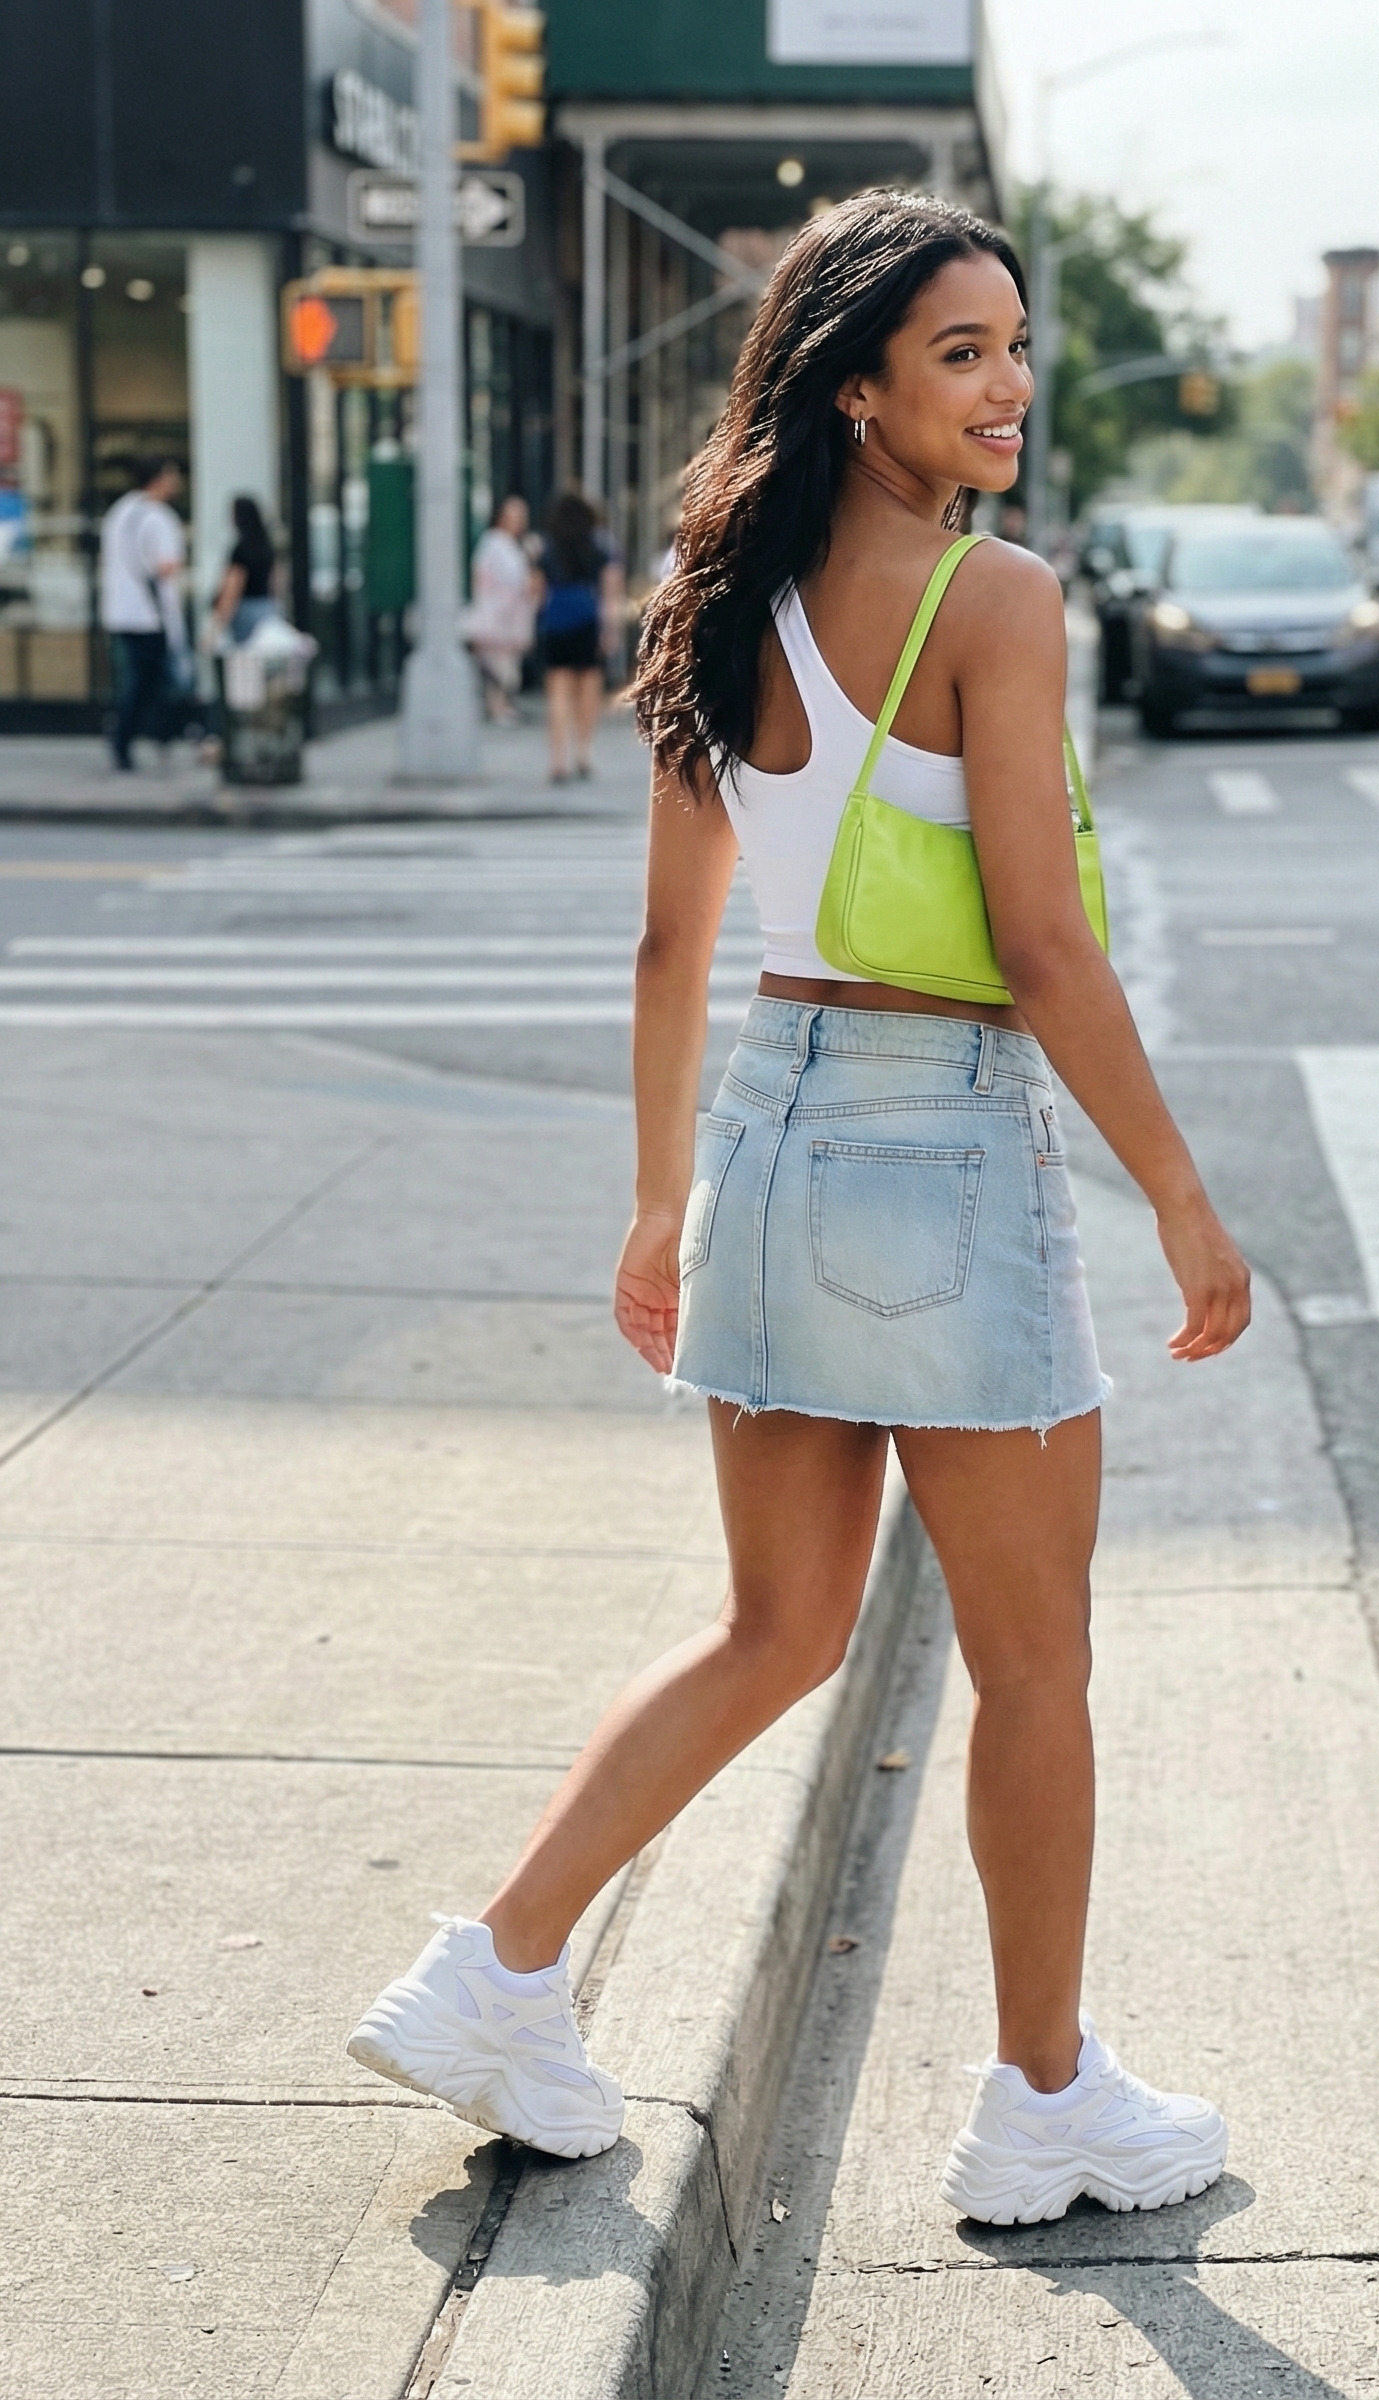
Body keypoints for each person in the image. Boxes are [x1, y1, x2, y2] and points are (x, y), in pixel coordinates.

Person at [346, 192, 1251, 2227]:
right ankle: (1042, 2103)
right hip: (940, 1138)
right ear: (855, 388)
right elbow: (1040, 945)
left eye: (1014, 345)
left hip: (768, 1120)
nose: (1009, 386)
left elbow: (670, 949)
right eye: (960, 354)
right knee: (1032, 1663)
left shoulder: (717, 600)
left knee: (773, 1627)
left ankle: (495, 1971)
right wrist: (1184, 1201)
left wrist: (654, 1202)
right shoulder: (989, 600)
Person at [100, 456, 187, 772]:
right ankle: (135, 738)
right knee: (148, 682)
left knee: (140, 679)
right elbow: (166, 566)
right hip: (151, 614)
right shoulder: (158, 517)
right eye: (172, 474)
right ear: (159, 478)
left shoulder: (120, 511)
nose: (176, 481)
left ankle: (146, 737)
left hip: (122, 611)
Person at [534, 489, 623, 781]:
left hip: (556, 620)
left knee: (558, 691)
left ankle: (557, 760)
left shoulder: (547, 546)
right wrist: (610, 630)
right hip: (587, 619)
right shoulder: (599, 544)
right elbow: (610, 592)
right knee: (588, 688)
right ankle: (583, 753)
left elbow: (537, 592)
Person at [463, 493, 536, 724]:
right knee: (497, 664)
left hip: (512, 615)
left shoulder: (516, 545)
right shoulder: (493, 542)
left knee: (507, 664)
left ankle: (502, 704)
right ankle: (495, 706)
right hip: (496, 615)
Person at [207, 496, 278, 649]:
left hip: (246, 610)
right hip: (266, 608)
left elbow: (232, 590)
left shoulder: (241, 549)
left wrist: (214, 630)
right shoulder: (266, 546)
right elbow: (275, 583)